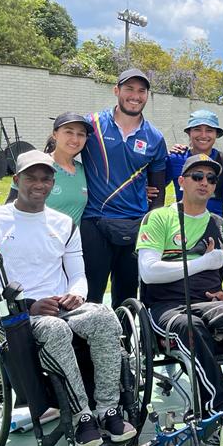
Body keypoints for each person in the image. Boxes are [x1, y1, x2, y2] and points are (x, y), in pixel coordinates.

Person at [0, 150, 137, 446]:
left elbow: (78, 274)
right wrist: (28, 305)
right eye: (31, 177)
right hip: (14, 313)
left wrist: (77, 294)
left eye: (46, 178)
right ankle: (81, 416)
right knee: (55, 331)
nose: (39, 184)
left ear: (53, 182)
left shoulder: (63, 223)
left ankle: (108, 409)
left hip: (61, 308)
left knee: (105, 317)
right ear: (17, 180)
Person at [137, 153, 223, 444]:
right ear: (181, 182)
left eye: (210, 178)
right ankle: (216, 410)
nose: (204, 182)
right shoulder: (159, 218)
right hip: (168, 308)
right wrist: (203, 263)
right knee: (189, 326)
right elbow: (149, 273)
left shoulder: (222, 226)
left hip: (213, 304)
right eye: (197, 177)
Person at [80, 68, 167, 308]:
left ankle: (125, 344)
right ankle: (84, 346)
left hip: (135, 225)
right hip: (94, 221)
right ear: (116, 90)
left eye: (141, 91)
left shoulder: (155, 137)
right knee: (90, 294)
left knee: (128, 296)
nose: (135, 96)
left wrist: (153, 227)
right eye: (129, 89)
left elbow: (158, 192)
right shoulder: (91, 124)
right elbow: (61, 149)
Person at [6, 112, 92, 223]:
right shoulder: (36, 165)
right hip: (32, 238)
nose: (75, 139)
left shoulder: (85, 171)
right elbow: (10, 209)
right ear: (54, 134)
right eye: (69, 132)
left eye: (81, 134)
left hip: (70, 239)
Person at [166, 109, 223, 217]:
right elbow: (156, 186)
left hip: (214, 227)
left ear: (216, 134)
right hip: (182, 225)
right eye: (197, 129)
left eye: (209, 130)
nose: (203, 135)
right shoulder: (176, 158)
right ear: (189, 133)